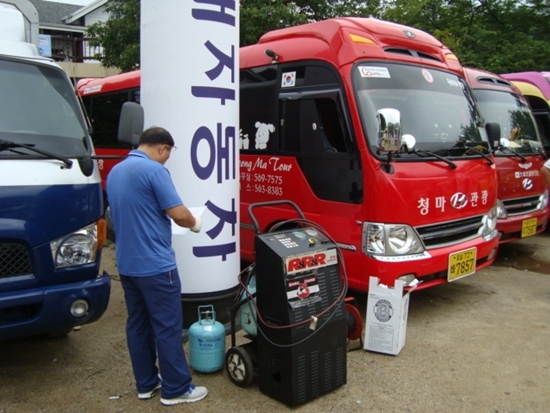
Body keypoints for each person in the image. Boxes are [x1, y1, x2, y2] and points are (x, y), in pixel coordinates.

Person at [106, 126, 207, 406]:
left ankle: (146, 384)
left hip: (127, 265)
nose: (166, 160)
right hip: (157, 267)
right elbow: (180, 215)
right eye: (168, 154)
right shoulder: (154, 171)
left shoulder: (116, 171)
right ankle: (176, 389)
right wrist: (195, 223)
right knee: (167, 327)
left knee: (137, 325)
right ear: (163, 147)